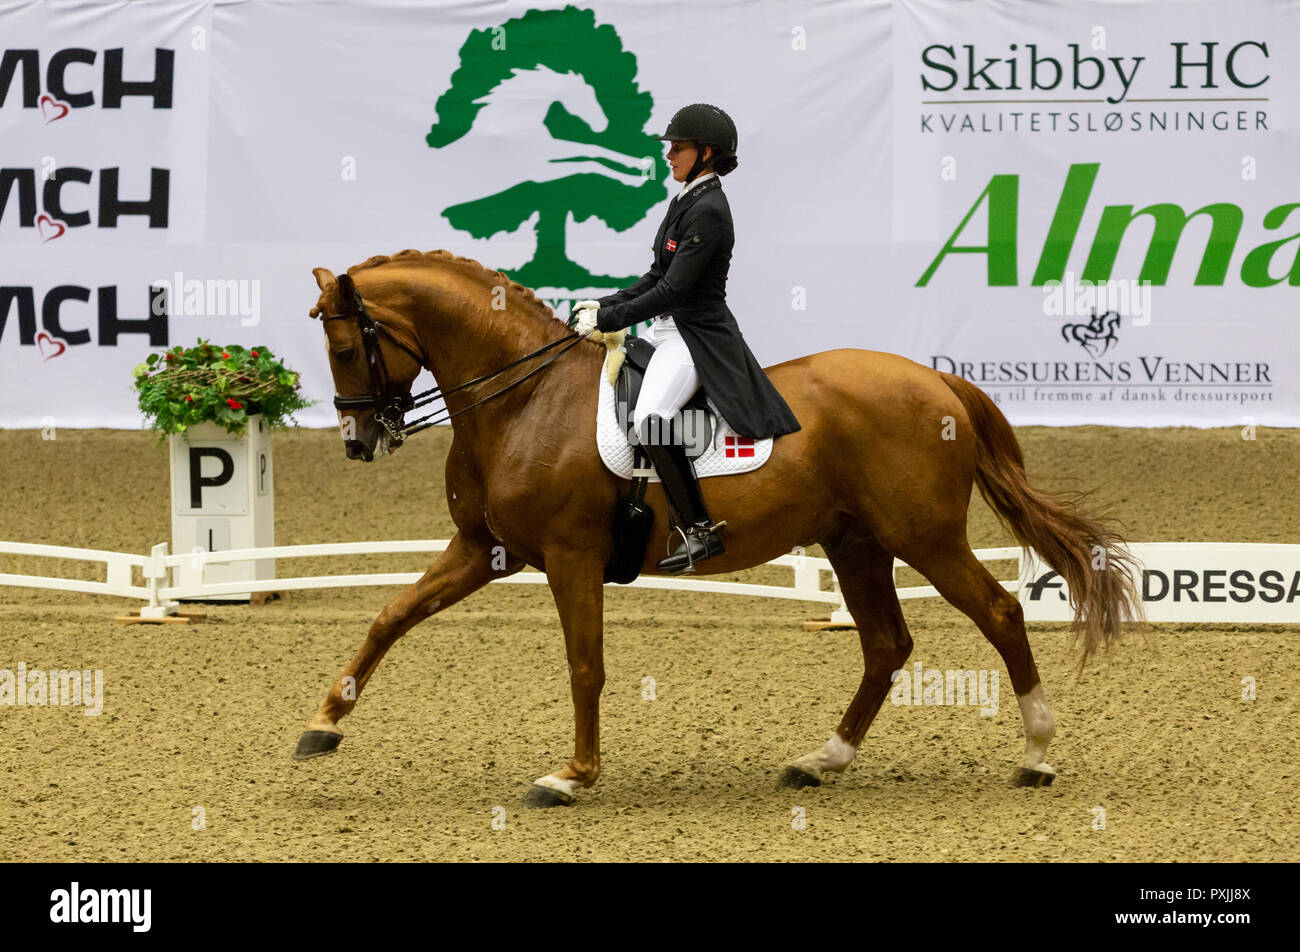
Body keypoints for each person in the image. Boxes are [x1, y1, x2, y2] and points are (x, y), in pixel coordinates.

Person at [573, 103, 801, 574]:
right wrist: (605, 303)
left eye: (678, 147)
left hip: (694, 336)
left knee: (651, 416)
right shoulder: (684, 200)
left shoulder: (711, 209)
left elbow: (674, 290)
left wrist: (611, 318)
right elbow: (657, 274)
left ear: (706, 152)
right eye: (670, 147)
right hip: (667, 331)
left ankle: (699, 530)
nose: (669, 155)